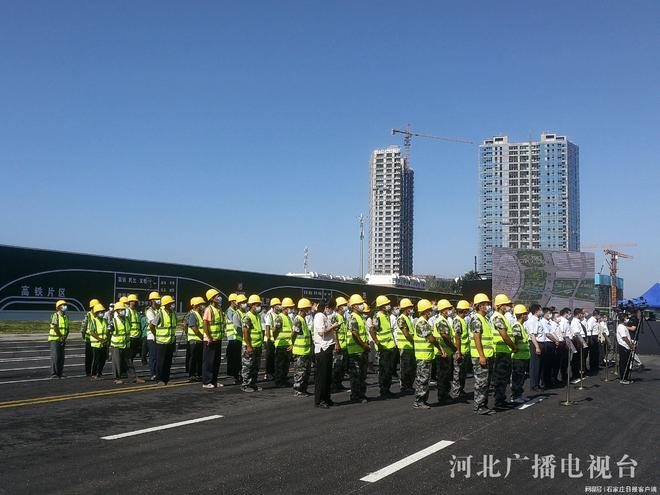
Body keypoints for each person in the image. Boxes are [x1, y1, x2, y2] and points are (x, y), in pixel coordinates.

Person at [412, 299, 445, 409]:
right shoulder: (422, 323)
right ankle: (419, 402)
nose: (431, 311)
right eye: (430, 310)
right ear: (425, 311)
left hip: (425, 356)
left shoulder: (423, 322)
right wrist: (440, 348)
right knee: (423, 379)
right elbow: (431, 339)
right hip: (423, 356)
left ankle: (421, 401)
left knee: (424, 379)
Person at [490, 294, 517, 409]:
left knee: (504, 377)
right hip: (500, 351)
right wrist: (514, 347)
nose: (507, 306)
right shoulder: (498, 317)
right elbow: (504, 336)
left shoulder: (502, 317)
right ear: (500, 305)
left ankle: (501, 399)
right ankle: (498, 401)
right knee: (500, 377)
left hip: (504, 351)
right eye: (505, 305)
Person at [470, 293, 496, 415]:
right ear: (480, 306)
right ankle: (479, 406)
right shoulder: (476, 319)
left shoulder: (484, 319)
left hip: (487, 354)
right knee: (481, 382)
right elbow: (477, 338)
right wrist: (481, 355)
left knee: (486, 382)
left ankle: (483, 405)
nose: (488, 306)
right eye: (486, 304)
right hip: (481, 356)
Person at [313, 299, 340, 408]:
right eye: (331, 308)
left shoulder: (324, 316)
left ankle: (327, 398)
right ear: (326, 307)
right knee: (322, 376)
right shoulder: (319, 316)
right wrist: (333, 327)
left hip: (328, 348)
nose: (332, 310)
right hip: (322, 349)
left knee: (327, 376)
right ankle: (319, 400)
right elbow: (321, 332)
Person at [110, 301, 143, 384]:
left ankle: (133, 378)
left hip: (126, 345)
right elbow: (108, 333)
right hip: (117, 346)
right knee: (117, 363)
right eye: (120, 310)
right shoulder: (113, 321)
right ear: (117, 311)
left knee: (129, 362)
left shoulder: (127, 320)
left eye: (123, 309)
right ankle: (116, 378)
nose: (123, 311)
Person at [346, 294, 371, 403]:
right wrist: (364, 345)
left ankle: (361, 394)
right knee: (356, 375)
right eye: (360, 304)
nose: (362, 305)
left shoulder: (359, 317)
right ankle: (356, 396)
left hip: (361, 350)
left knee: (362, 374)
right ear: (354, 306)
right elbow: (355, 334)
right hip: (356, 351)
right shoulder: (353, 317)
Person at [371, 295, 397, 399]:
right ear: (381, 306)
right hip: (384, 348)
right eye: (386, 304)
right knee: (384, 370)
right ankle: (384, 390)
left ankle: (387, 389)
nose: (388, 305)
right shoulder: (378, 316)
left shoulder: (386, 315)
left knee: (389, 369)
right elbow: (372, 330)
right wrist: (378, 343)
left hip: (390, 347)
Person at [433, 299, 455, 403]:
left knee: (445, 375)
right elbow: (445, 337)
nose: (450, 310)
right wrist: (454, 347)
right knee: (442, 376)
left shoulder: (444, 320)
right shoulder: (441, 321)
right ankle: (442, 396)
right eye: (448, 309)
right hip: (442, 353)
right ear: (442, 310)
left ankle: (445, 394)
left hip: (446, 352)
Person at [241, 294, 264, 392]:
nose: (258, 306)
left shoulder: (257, 316)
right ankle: (246, 385)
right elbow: (245, 332)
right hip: (250, 346)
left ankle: (253, 384)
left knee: (255, 366)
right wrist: (249, 346)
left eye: (259, 304)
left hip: (257, 345)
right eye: (256, 304)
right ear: (251, 305)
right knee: (248, 366)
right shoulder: (247, 317)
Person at [152, 295, 177, 385]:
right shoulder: (160, 314)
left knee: (168, 361)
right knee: (161, 362)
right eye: (170, 303)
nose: (172, 304)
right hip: (161, 342)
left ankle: (166, 379)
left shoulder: (173, 313)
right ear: (166, 304)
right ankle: (160, 379)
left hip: (170, 341)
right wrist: (156, 334)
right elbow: (152, 325)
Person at [203, 289, 225, 388]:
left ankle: (214, 381)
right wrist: (209, 338)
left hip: (218, 339)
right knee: (209, 361)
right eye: (216, 296)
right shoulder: (209, 309)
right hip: (210, 340)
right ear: (212, 298)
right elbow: (205, 325)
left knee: (216, 361)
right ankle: (207, 382)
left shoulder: (219, 309)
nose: (218, 297)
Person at [291, 298, 313, 397]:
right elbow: (293, 333)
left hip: (305, 351)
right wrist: (291, 344)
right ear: (303, 309)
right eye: (307, 308)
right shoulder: (298, 320)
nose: (309, 310)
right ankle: (298, 390)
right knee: (300, 372)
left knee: (305, 372)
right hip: (300, 352)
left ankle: (303, 389)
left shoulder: (303, 319)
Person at [449, 300, 471, 400]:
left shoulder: (462, 320)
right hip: (460, 351)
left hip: (465, 350)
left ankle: (460, 390)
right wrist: (458, 351)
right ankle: (457, 392)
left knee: (462, 373)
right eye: (467, 309)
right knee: (458, 373)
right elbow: (457, 337)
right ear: (464, 310)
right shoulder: (457, 320)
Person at [510, 304, 531, 403]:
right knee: (517, 377)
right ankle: (515, 396)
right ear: (522, 315)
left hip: (523, 357)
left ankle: (519, 394)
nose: (527, 315)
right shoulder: (517, 326)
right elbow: (515, 341)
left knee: (521, 377)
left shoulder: (521, 326)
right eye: (525, 313)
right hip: (518, 357)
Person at [272, 297, 294, 387]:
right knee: (280, 365)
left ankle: (284, 380)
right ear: (285, 307)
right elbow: (275, 331)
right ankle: (279, 381)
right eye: (290, 307)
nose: (291, 309)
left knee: (286, 365)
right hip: (281, 345)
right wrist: (276, 340)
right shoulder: (279, 318)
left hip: (287, 345)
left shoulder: (288, 318)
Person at [396, 298, 416, 394]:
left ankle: (409, 385)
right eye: (410, 307)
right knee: (405, 368)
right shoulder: (401, 319)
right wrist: (414, 341)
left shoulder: (407, 318)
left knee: (411, 368)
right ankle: (404, 386)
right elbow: (406, 334)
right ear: (405, 308)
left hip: (410, 347)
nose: (411, 308)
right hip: (405, 347)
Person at [331, 296, 349, 392]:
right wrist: (337, 344)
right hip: (338, 346)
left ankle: (339, 384)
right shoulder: (335, 317)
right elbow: (334, 332)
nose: (346, 307)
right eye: (344, 305)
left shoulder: (343, 317)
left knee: (342, 367)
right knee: (337, 367)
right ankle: (334, 385)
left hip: (344, 346)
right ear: (339, 307)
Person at [524, 304, 544, 392]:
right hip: (535, 343)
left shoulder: (537, 320)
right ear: (536, 311)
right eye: (540, 310)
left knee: (539, 365)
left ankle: (537, 383)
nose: (541, 311)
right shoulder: (532, 320)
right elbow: (532, 335)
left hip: (539, 343)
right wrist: (537, 347)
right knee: (535, 365)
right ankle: (534, 385)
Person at [227, 294, 246, 384]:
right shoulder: (233, 312)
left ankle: (240, 375)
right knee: (236, 359)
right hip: (235, 337)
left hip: (241, 338)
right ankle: (236, 375)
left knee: (241, 359)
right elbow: (236, 326)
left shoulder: (243, 312)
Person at [48, 299, 69, 378]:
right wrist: (61, 336)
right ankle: (54, 373)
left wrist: (64, 338)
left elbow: (67, 329)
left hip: (62, 339)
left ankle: (60, 373)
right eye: (62, 305)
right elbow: (55, 327)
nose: (65, 306)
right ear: (58, 307)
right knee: (55, 357)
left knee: (61, 357)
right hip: (55, 339)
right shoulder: (55, 316)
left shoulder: (66, 317)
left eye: (65, 305)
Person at [186, 296, 205, 383]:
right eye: (200, 304)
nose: (202, 306)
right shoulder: (192, 314)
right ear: (195, 306)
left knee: (199, 358)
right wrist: (202, 336)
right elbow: (194, 327)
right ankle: (192, 375)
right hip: (194, 340)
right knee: (193, 358)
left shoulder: (199, 314)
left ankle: (198, 374)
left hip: (199, 340)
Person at [89, 303, 109, 379]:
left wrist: (106, 338)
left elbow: (107, 331)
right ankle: (94, 374)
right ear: (96, 313)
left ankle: (99, 373)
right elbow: (92, 332)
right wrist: (100, 339)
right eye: (100, 312)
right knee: (96, 360)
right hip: (96, 344)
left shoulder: (105, 321)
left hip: (104, 344)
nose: (101, 313)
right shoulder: (93, 321)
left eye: (102, 311)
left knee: (103, 359)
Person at [81, 298, 100, 376]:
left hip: (96, 340)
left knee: (96, 357)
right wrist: (84, 337)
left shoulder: (98, 314)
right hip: (89, 340)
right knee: (89, 357)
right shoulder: (88, 315)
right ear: (92, 307)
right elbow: (83, 328)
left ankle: (95, 372)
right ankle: (88, 372)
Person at [145, 291, 162, 380]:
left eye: (159, 299)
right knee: (153, 356)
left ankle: (158, 372)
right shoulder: (149, 311)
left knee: (159, 356)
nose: (158, 301)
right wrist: (155, 335)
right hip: (152, 336)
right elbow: (153, 324)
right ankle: (153, 373)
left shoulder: (159, 310)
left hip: (159, 336)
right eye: (156, 299)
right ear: (152, 301)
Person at [262, 298, 279, 381]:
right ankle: (267, 373)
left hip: (276, 340)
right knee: (269, 357)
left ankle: (272, 372)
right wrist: (268, 339)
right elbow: (267, 327)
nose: (279, 306)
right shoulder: (270, 315)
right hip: (270, 340)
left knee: (274, 358)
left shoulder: (277, 314)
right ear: (274, 306)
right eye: (277, 304)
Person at [616, 313, 635, 384]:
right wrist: (631, 346)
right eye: (626, 318)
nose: (627, 319)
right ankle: (623, 378)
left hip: (626, 347)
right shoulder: (621, 326)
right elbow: (624, 338)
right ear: (623, 318)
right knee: (624, 363)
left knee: (627, 362)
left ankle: (626, 378)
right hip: (624, 346)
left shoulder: (624, 326)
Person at [570, 308, 587, 381]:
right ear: (579, 314)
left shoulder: (578, 321)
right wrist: (580, 343)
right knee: (576, 359)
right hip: (578, 341)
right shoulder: (574, 322)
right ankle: (575, 375)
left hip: (581, 340)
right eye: (581, 314)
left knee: (580, 358)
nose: (582, 315)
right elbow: (576, 333)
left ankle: (579, 373)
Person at [126, 294, 142, 363]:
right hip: (131, 336)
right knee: (130, 354)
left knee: (134, 353)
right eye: (133, 301)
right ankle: (128, 368)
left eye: (135, 301)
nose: (134, 303)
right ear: (129, 302)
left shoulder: (136, 312)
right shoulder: (128, 311)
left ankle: (129, 365)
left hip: (137, 335)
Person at [586, 309, 601, 375]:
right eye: (599, 314)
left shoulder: (596, 320)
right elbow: (589, 330)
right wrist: (591, 339)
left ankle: (596, 365)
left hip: (596, 336)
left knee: (596, 352)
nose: (599, 316)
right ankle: (592, 367)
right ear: (596, 314)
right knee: (592, 353)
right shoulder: (591, 320)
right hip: (592, 337)